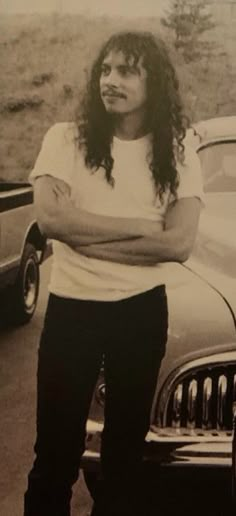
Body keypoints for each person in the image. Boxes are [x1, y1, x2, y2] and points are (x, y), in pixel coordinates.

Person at [24, 31, 204, 516]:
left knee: (125, 459)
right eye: (105, 69)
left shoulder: (180, 147)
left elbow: (179, 243)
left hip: (140, 315)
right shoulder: (65, 138)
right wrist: (141, 228)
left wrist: (85, 239)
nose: (110, 80)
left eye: (126, 71)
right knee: (54, 456)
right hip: (71, 312)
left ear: (156, 84)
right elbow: (51, 221)